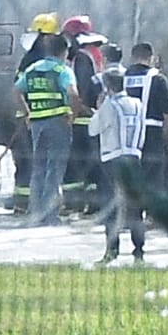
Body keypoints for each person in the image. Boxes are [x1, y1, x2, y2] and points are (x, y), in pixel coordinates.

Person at [14, 34, 83, 225]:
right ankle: (49, 215)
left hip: (37, 124)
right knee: (55, 169)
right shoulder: (63, 70)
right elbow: (73, 94)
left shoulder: (32, 69)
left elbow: (17, 90)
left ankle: (33, 212)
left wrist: (27, 113)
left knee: (38, 168)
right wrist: (73, 115)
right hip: (58, 123)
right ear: (64, 51)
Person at [89, 67, 148, 265]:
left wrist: (98, 108)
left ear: (107, 87)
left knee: (111, 205)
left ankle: (111, 250)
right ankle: (139, 251)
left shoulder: (109, 105)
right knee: (135, 206)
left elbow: (93, 129)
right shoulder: (137, 103)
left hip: (112, 159)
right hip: (134, 157)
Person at [10, 12, 61, 214]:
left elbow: (17, 87)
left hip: (27, 117)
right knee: (41, 161)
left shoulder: (27, 59)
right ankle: (38, 203)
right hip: (42, 117)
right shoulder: (46, 62)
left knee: (25, 161)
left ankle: (22, 203)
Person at [62, 15, 106, 214]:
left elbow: (81, 87)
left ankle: (74, 203)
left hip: (81, 118)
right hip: (95, 116)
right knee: (92, 163)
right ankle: (95, 203)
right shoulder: (94, 54)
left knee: (74, 163)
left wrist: (75, 109)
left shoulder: (80, 58)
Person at [124, 42, 168, 204]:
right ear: (151, 58)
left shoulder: (122, 77)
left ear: (132, 57)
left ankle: (132, 211)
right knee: (153, 175)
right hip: (152, 131)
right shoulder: (158, 79)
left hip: (128, 132)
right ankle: (154, 212)